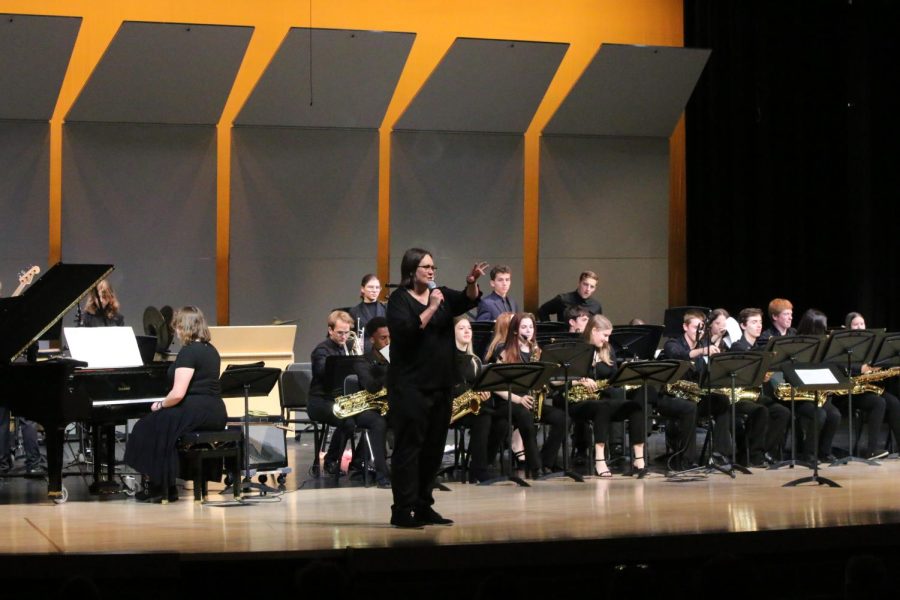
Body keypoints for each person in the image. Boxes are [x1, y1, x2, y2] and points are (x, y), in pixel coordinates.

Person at [386, 248, 485, 528]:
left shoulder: (441, 294)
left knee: (433, 449)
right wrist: (430, 307)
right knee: (409, 449)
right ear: (411, 271)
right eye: (425, 267)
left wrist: (471, 281)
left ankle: (423, 504)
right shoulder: (399, 300)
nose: (431, 271)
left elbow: (468, 300)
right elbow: (405, 333)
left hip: (441, 384)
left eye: (433, 267)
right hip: (410, 386)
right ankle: (403, 509)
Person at [123, 306, 227, 502]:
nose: (177, 332)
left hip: (196, 410)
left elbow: (178, 394)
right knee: (162, 426)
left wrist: (161, 404)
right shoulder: (211, 350)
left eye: (178, 327)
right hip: (216, 411)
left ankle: (157, 487)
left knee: (147, 426)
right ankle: (166, 486)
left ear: (185, 327)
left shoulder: (188, 352)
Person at [490, 312, 566, 476]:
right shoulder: (505, 352)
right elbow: (496, 386)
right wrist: (519, 398)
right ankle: (535, 466)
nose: (528, 330)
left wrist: (566, 377)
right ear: (515, 331)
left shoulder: (537, 352)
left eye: (531, 327)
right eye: (524, 327)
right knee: (525, 416)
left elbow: (549, 380)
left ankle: (547, 461)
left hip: (530, 400)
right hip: (509, 401)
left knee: (562, 418)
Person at [571, 314, 646, 477]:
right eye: (605, 335)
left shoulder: (607, 349)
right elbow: (566, 378)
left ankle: (639, 459)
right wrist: (581, 381)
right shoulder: (577, 349)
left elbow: (613, 378)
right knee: (602, 407)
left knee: (635, 407)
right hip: (582, 400)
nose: (607, 340)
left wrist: (624, 372)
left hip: (604, 396)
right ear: (594, 330)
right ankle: (600, 459)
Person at [729, 307, 790, 463]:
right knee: (761, 411)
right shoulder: (738, 347)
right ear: (743, 326)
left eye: (760, 322)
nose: (759, 326)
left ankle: (763, 450)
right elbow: (740, 375)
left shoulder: (760, 349)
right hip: (739, 397)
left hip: (754, 395)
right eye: (754, 322)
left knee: (782, 412)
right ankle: (754, 455)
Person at [451, 316, 507, 482]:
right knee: (483, 417)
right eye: (461, 328)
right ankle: (478, 471)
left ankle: (485, 463)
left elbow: (478, 385)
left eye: (469, 328)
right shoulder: (446, 358)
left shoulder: (475, 360)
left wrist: (484, 391)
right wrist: (474, 392)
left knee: (502, 421)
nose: (467, 331)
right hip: (452, 409)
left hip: (472, 407)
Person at [306, 310, 359, 476]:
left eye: (347, 333)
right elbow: (322, 373)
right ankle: (331, 460)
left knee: (368, 417)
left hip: (337, 399)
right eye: (340, 333)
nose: (344, 337)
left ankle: (359, 462)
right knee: (347, 421)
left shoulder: (344, 348)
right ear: (330, 330)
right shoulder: (321, 351)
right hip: (320, 401)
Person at [792, 308, 841, 462]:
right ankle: (808, 453)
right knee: (819, 415)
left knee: (835, 415)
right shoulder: (797, 344)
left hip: (818, 394)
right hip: (800, 396)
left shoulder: (824, 346)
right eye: (823, 328)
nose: (826, 331)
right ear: (814, 329)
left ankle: (824, 452)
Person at [349, 316, 392, 488]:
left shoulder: (395, 357)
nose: (388, 341)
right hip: (367, 408)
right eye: (383, 338)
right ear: (372, 340)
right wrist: (390, 367)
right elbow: (371, 388)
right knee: (378, 423)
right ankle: (383, 476)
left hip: (389, 406)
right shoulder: (363, 362)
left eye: (390, 337)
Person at [536, 270, 602, 322]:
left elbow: (598, 326)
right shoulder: (563, 299)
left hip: (586, 338)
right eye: (585, 284)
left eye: (592, 286)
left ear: (595, 289)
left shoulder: (596, 306)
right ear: (579, 283)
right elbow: (543, 310)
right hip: (564, 338)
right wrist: (552, 331)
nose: (588, 289)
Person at [348, 274, 386, 353]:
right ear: (362, 289)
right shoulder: (354, 311)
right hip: (365, 352)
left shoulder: (386, 308)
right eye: (370, 287)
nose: (374, 290)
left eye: (377, 287)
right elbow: (349, 337)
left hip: (385, 352)